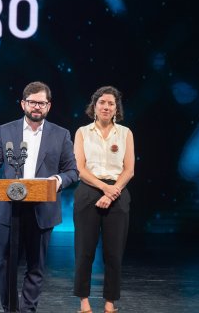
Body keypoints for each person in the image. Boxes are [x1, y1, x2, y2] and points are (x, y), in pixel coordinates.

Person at [0, 81, 78, 312]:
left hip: (43, 210)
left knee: (36, 266)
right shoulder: (5, 130)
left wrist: (57, 181)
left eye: (42, 103)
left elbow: (72, 171)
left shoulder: (61, 134)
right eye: (32, 102)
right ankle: (10, 309)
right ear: (23, 104)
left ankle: (28, 310)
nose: (37, 107)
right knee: (5, 263)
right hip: (10, 209)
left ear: (49, 106)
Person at [72, 86, 135, 313]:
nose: (106, 107)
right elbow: (79, 168)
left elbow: (129, 170)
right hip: (89, 190)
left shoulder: (126, 133)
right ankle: (84, 303)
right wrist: (103, 189)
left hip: (118, 193)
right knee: (84, 251)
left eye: (111, 103)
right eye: (102, 103)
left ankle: (110, 304)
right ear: (94, 106)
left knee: (113, 253)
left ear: (116, 108)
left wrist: (113, 192)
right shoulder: (82, 132)